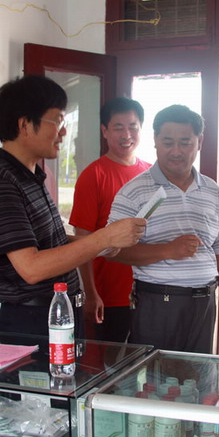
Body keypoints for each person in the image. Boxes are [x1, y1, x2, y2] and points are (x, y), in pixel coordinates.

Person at [0, 75, 146, 343]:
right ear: (25, 125)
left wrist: (100, 245)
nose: (64, 132)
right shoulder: (1, 184)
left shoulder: (28, 176)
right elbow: (31, 267)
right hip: (32, 321)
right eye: (58, 121)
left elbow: (48, 242)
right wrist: (104, 238)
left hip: (57, 312)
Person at [107, 104, 219, 354]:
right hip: (158, 303)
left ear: (199, 142)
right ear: (155, 141)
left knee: (199, 374)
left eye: (185, 142)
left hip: (204, 302)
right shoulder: (134, 191)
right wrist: (167, 250)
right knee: (157, 376)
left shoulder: (211, 189)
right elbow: (112, 250)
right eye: (168, 142)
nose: (176, 151)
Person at [69, 97, 151, 343]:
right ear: (105, 131)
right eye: (118, 128)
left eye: (133, 127)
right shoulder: (93, 175)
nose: (127, 135)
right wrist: (91, 293)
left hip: (149, 291)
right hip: (109, 296)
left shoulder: (151, 174)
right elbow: (82, 240)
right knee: (109, 361)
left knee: (148, 360)